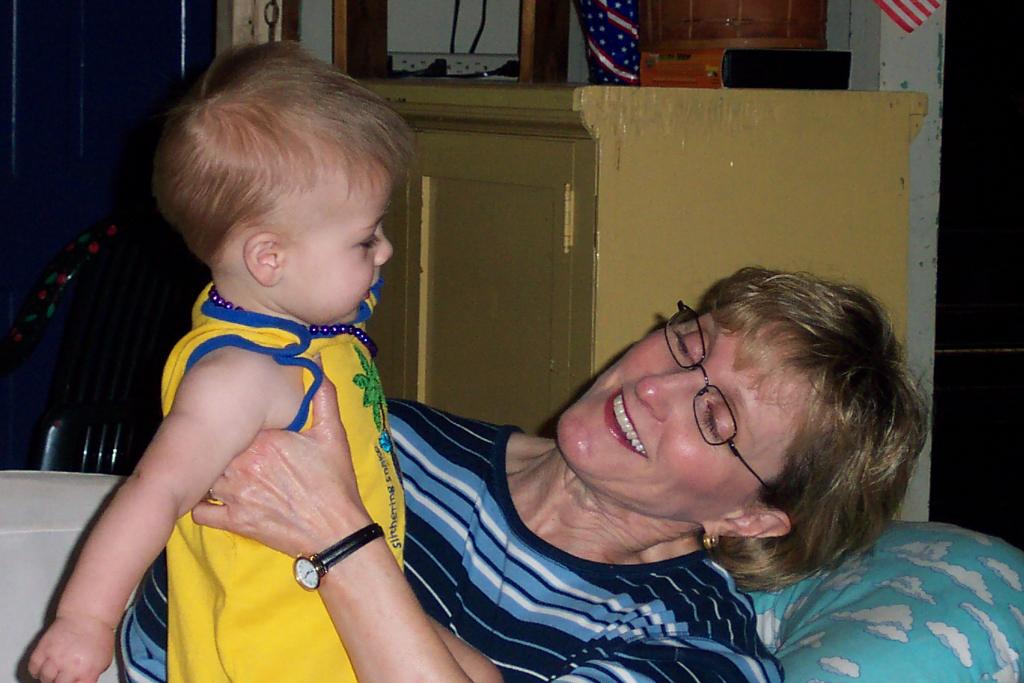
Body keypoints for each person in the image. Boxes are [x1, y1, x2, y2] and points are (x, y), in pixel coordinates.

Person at [118, 266, 928, 682]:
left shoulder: (697, 650)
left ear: (752, 518)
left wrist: (340, 545)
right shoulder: (385, 437)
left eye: (714, 416)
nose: (655, 387)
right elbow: (156, 626)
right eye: (690, 344)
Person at [28, 41, 413, 683]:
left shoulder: (296, 317)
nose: (386, 251)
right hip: (271, 660)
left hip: (340, 631)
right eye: (365, 240)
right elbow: (156, 491)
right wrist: (85, 619)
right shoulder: (239, 377)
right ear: (269, 260)